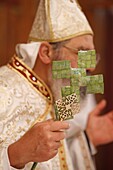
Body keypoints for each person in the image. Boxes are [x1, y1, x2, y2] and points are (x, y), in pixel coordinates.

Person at [0, 0, 113, 170]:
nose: (91, 66)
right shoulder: (4, 89)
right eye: (82, 53)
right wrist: (15, 155)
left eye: (92, 56)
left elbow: (60, 158)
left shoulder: (61, 92)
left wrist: (89, 139)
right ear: (46, 53)